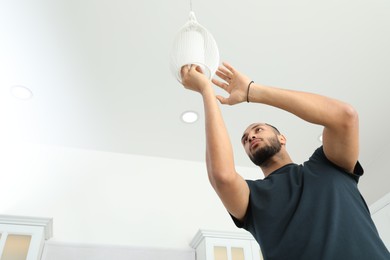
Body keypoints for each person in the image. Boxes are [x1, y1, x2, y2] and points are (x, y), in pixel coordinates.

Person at [180, 62, 390, 260]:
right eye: (245, 139)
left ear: (282, 138)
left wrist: (251, 92)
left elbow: (345, 116)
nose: (250, 137)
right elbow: (223, 176)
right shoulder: (251, 198)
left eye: (258, 130)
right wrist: (207, 91)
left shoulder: (329, 164)